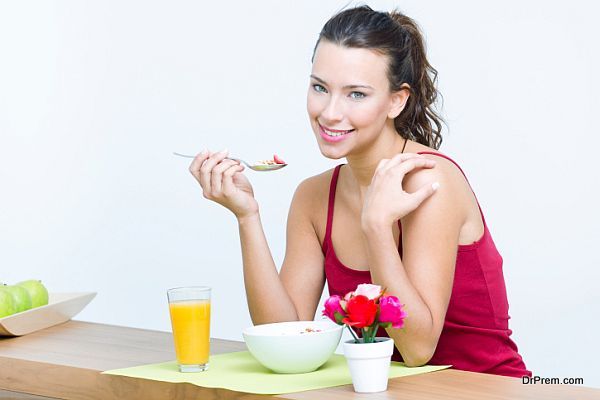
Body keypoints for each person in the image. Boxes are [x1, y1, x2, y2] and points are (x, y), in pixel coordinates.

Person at [188, 5, 530, 378]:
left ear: (396, 101)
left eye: (356, 94)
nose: (330, 113)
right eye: (320, 88)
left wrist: (377, 227)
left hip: (485, 388)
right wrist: (247, 216)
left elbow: (417, 349)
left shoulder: (431, 181)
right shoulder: (315, 197)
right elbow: (284, 339)